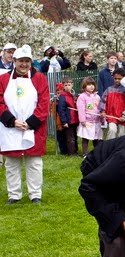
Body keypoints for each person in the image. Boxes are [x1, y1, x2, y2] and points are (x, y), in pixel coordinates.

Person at [0, 45, 49, 205]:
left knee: (34, 162)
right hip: (10, 128)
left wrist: (30, 122)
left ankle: (35, 194)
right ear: (14, 61)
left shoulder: (40, 79)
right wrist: (11, 120)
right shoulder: (3, 79)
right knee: (11, 163)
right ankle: (14, 195)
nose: (24, 64)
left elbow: (44, 103)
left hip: (33, 128)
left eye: (27, 61)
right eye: (21, 61)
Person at [99, 69, 125, 140]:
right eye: (115, 78)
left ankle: (120, 149)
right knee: (112, 131)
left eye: (119, 79)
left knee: (121, 134)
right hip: (111, 116)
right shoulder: (109, 89)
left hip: (122, 118)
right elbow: (103, 101)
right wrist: (103, 111)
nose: (117, 80)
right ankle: (109, 147)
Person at [77, 76, 103, 154]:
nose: (91, 86)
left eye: (93, 84)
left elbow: (100, 108)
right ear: (84, 86)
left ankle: (97, 153)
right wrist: (83, 120)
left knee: (96, 138)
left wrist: (102, 119)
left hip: (96, 121)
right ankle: (85, 153)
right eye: (89, 84)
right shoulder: (82, 97)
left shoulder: (97, 97)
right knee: (86, 138)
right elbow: (81, 109)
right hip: (87, 121)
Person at [56, 78, 79, 155]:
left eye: (69, 85)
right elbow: (61, 110)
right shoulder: (63, 96)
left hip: (74, 120)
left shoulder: (73, 95)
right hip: (68, 120)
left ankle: (75, 150)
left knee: (75, 136)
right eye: (66, 85)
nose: (68, 87)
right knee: (70, 137)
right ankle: (72, 152)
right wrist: (64, 121)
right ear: (63, 86)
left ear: (72, 85)